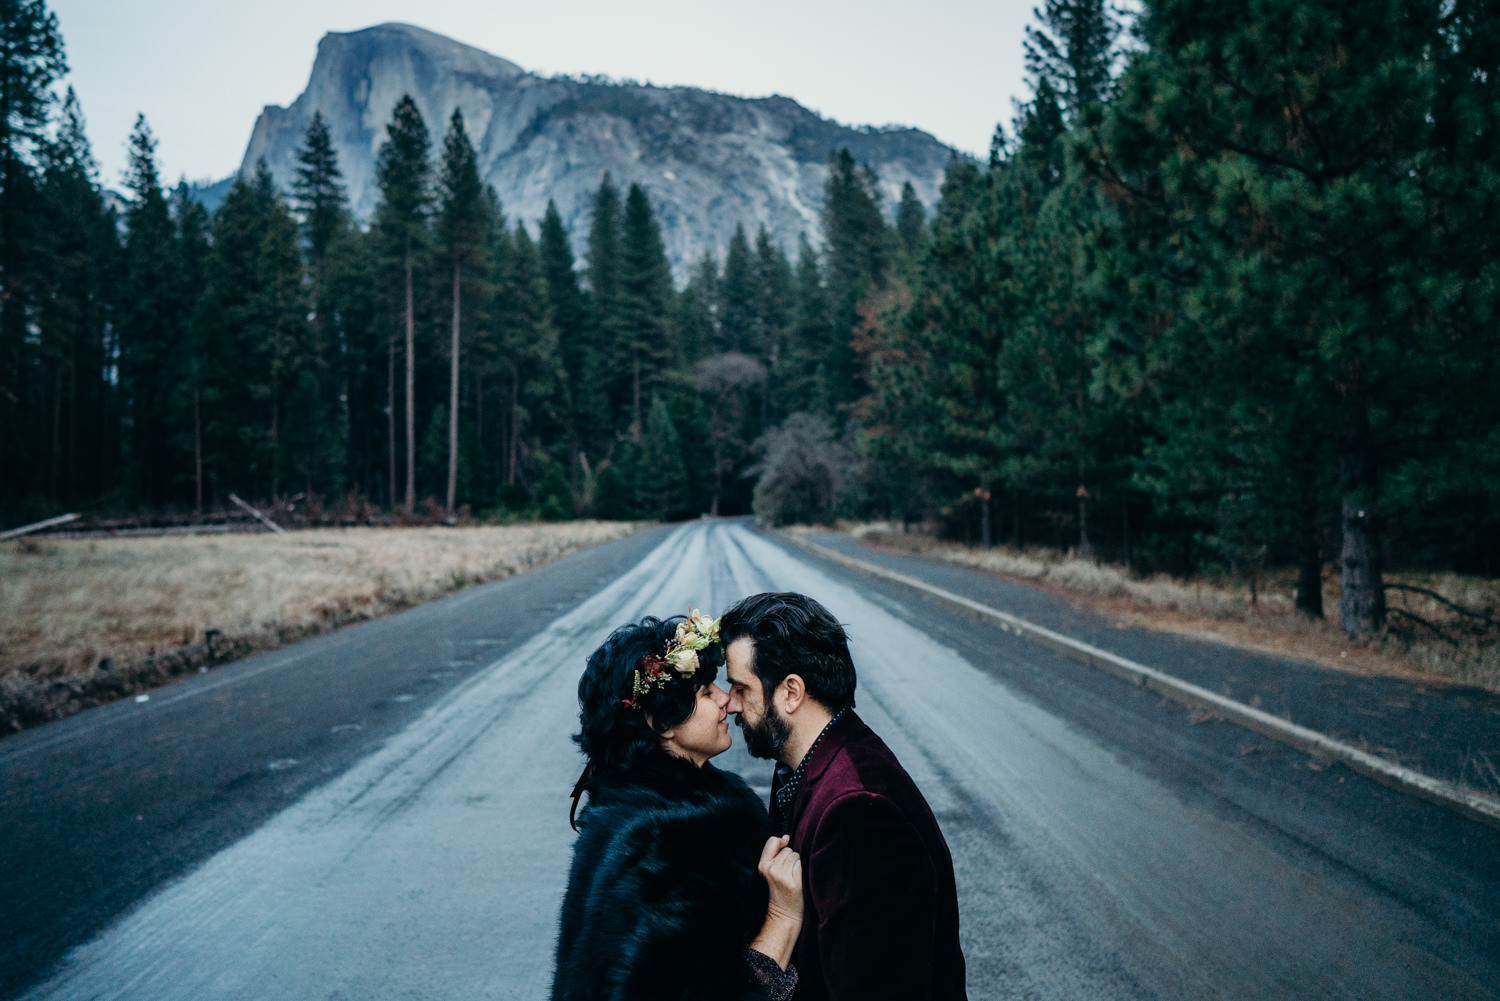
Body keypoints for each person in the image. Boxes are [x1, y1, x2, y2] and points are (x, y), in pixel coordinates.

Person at [721, 591, 969, 1001]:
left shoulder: (858, 811)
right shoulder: (806, 763)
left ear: (791, 692)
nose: (730, 704)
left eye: (740, 688)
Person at [552, 611, 802, 1001]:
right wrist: (783, 918)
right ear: (662, 721)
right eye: (705, 693)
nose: (726, 700)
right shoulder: (663, 844)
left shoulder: (647, 808)